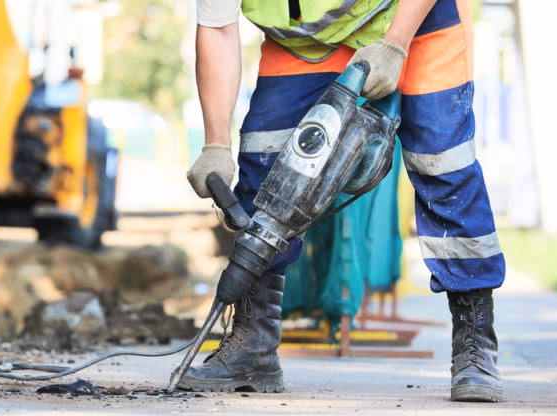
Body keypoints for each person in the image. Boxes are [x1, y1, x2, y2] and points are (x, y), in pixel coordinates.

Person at [182, 0, 505, 402]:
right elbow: (217, 28)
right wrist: (215, 143)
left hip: (415, 20)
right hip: (307, 42)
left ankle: (475, 347)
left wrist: (396, 44)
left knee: (442, 164)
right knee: (264, 167)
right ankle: (252, 345)